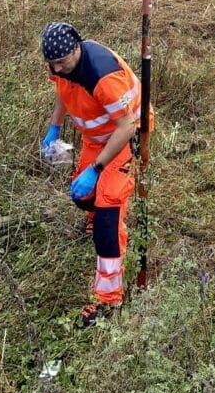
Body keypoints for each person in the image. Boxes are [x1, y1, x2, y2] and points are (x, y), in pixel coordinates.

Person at [39, 22, 153, 326]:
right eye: (52, 64)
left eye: (61, 62)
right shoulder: (59, 64)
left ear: (77, 48)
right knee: (82, 195)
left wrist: (96, 169)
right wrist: (54, 128)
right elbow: (63, 90)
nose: (57, 68)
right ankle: (100, 212)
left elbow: (126, 126)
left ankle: (108, 299)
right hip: (97, 138)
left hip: (123, 138)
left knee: (107, 216)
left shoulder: (103, 77)